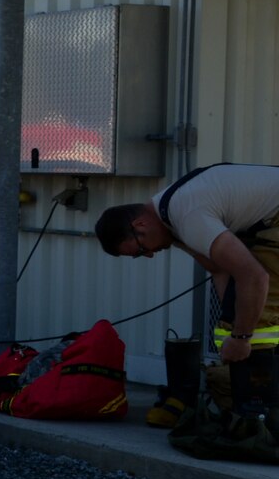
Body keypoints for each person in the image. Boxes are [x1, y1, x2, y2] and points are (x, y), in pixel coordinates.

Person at [96, 164, 279, 447]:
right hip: (269, 220)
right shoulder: (171, 222)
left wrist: (241, 338)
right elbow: (220, 269)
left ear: (140, 225)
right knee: (243, 315)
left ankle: (260, 421)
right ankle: (252, 409)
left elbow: (254, 276)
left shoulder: (187, 215)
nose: (149, 257)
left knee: (261, 321)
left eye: (141, 250)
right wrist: (230, 321)